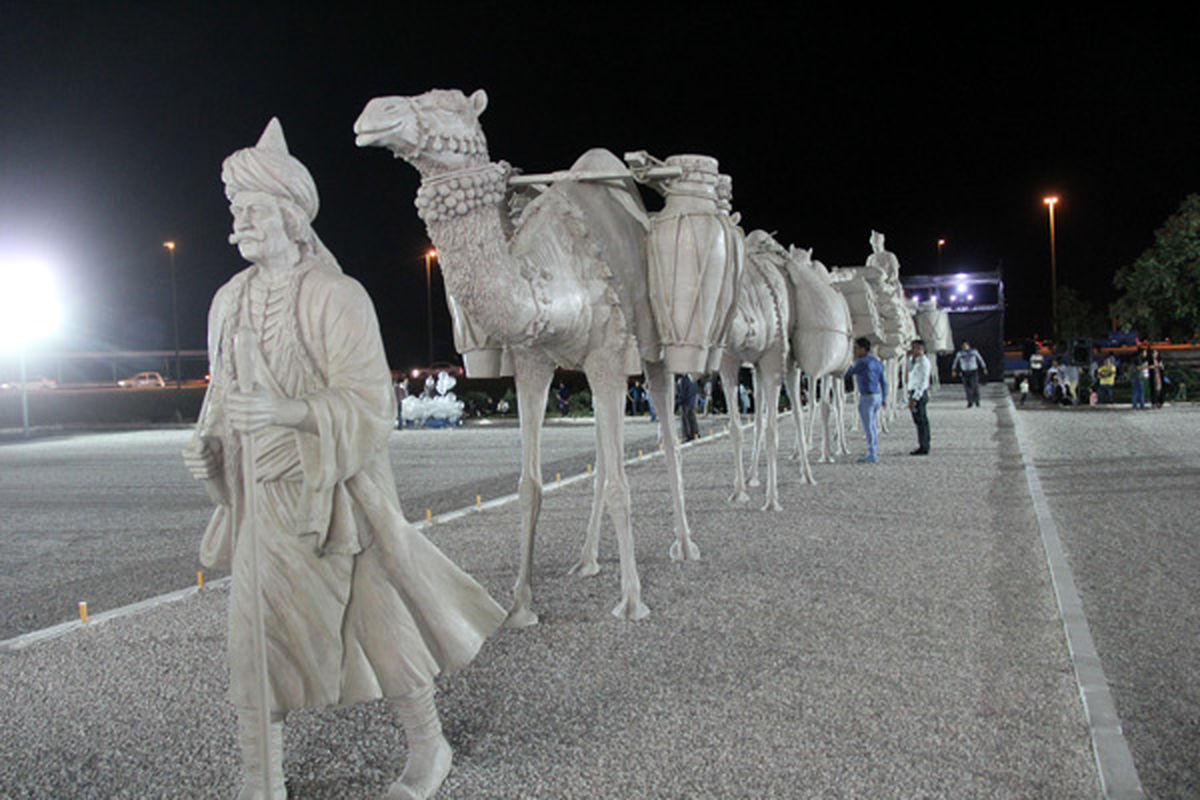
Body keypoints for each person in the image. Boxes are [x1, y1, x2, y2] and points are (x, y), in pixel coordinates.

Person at [181, 119, 504, 800]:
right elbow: (221, 402)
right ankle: (259, 777)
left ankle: (428, 745)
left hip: (335, 502)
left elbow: (369, 406)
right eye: (235, 209)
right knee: (252, 642)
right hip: (261, 506)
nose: (240, 221)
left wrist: (290, 413)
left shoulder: (337, 296)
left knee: (380, 626)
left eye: (254, 208)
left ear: (293, 218)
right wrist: (209, 452)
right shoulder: (226, 302)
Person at [844, 336, 887, 463]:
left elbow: (848, 373)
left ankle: (872, 453)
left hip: (867, 397)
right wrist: (884, 397)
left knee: (868, 427)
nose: (855, 351)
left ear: (863, 349)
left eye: (856, 349)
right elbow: (884, 382)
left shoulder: (862, 363)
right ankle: (873, 449)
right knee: (872, 425)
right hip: (877, 395)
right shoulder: (876, 362)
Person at [906, 339, 931, 455]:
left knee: (922, 421)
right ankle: (923, 444)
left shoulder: (924, 363)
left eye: (914, 348)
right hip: (913, 392)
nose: (912, 350)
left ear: (920, 349)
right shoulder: (915, 361)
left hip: (919, 394)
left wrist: (915, 398)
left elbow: (922, 382)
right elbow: (909, 371)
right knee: (918, 421)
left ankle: (924, 446)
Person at [951, 340, 986, 407]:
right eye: (963, 346)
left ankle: (977, 400)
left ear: (968, 346)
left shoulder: (974, 352)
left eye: (966, 346)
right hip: (965, 372)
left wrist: (984, 367)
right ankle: (970, 401)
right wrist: (954, 370)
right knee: (967, 388)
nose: (965, 347)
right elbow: (955, 362)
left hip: (973, 371)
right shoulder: (960, 353)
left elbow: (980, 359)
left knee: (974, 386)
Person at [676, 372, 700, 441]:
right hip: (691, 402)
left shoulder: (684, 380)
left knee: (685, 420)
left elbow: (683, 393)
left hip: (685, 403)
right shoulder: (692, 379)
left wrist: (678, 402)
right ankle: (695, 433)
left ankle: (687, 435)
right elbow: (695, 390)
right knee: (692, 419)